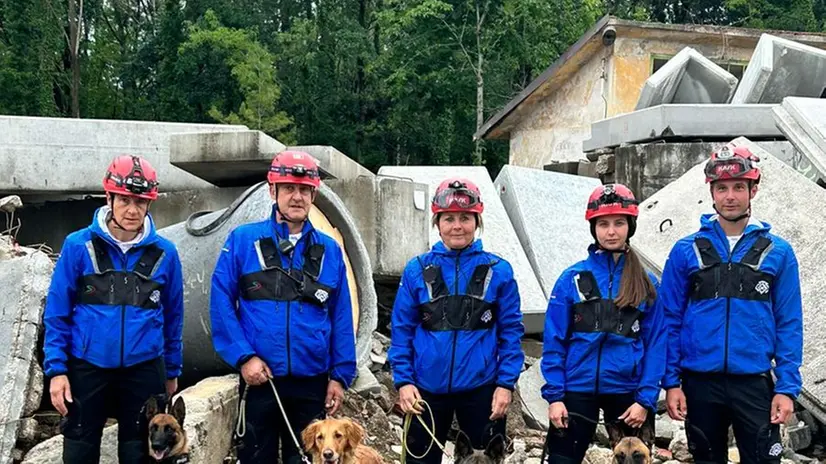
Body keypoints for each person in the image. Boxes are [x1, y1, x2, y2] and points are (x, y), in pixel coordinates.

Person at [210, 150, 357, 464]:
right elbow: (221, 300)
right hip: (262, 379)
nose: (297, 196)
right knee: (256, 457)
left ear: (313, 194)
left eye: (305, 190)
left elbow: (341, 316)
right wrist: (244, 356)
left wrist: (340, 376)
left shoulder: (329, 250)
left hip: (311, 381)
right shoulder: (242, 241)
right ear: (272, 189)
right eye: (289, 187)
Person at [661, 144, 803, 464]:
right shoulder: (686, 250)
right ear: (711, 190)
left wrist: (786, 388)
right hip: (699, 384)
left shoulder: (778, 252)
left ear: (753, 189)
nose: (730, 196)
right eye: (722, 187)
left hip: (754, 384)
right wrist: (671, 383)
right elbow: (669, 320)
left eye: (739, 187)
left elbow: (789, 323)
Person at [43, 154, 184, 463]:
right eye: (124, 200)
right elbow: (57, 313)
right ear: (109, 197)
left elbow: (174, 316)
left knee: (140, 452)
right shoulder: (78, 246)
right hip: (87, 366)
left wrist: (172, 370)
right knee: (80, 449)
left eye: (140, 201)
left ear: (150, 203)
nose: (132, 210)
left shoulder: (165, 254)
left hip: (144, 369)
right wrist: (56, 370)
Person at [388, 177, 525, 463]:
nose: (457, 226)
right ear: (437, 222)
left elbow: (511, 334)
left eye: (465, 217)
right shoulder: (417, 269)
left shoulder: (499, 271)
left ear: (477, 221)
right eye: (448, 218)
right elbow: (401, 332)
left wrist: (505, 385)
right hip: (424, 392)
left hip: (481, 391)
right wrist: (403, 381)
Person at [540, 183, 665, 463]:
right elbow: (554, 341)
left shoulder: (647, 284)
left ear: (630, 226)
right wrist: (555, 397)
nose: (611, 231)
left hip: (627, 394)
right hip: (576, 390)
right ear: (593, 228)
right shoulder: (570, 279)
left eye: (619, 223)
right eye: (603, 224)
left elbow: (657, 344)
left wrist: (645, 400)